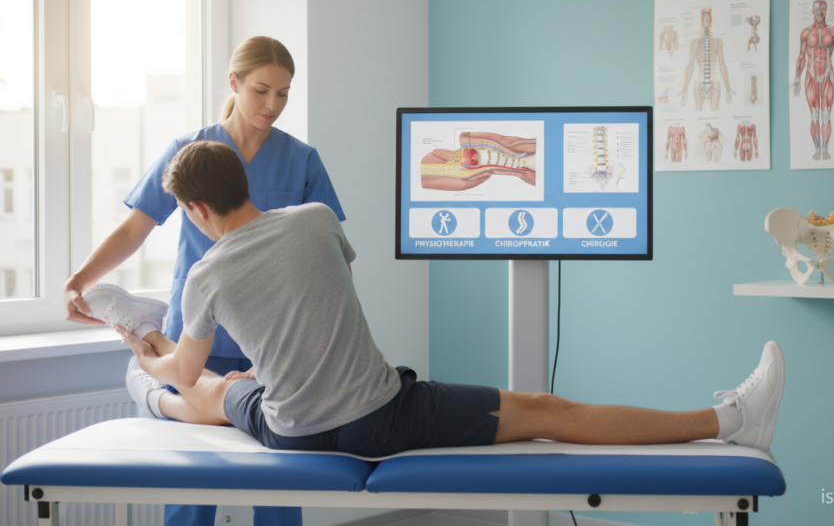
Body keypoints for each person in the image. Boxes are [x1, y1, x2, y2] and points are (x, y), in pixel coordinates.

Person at [91, 140, 786, 460]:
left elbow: (190, 376)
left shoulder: (203, 277)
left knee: (216, 392)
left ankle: (137, 355)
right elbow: (332, 295)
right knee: (547, 410)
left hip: (290, 428)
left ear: (191, 208)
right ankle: (728, 420)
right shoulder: (313, 218)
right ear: (241, 178)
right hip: (378, 418)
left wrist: (153, 359)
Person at [64, 36, 338, 526]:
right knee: (192, 483)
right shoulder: (189, 151)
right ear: (233, 83)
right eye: (261, 91)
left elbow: (328, 260)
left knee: (278, 484)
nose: (272, 105)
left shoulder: (302, 160)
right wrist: (78, 281)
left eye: (284, 94)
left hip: (270, 339)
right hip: (197, 334)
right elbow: (134, 228)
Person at [792, 0, 834, 161]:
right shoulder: (806, 32)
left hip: (827, 74)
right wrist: (797, 78)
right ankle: (817, 149)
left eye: (822, 9)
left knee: (826, 114)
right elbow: (801, 57)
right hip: (810, 74)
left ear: (826, 11)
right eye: (817, 10)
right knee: (814, 115)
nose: (819, 13)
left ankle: (826, 148)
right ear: (812, 11)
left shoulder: (833, 32)